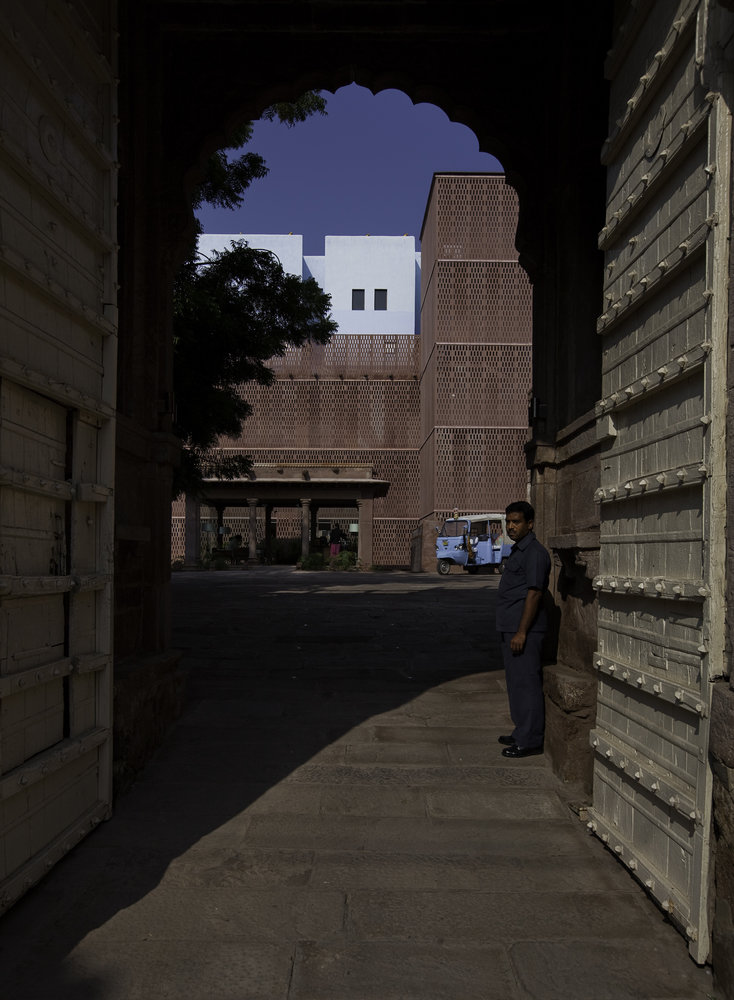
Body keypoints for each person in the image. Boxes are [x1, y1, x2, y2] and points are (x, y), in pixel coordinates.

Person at [496, 500, 551, 758]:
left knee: (527, 683)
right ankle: (521, 731)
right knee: (515, 682)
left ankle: (530, 739)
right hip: (511, 626)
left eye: (516, 522)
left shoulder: (535, 553)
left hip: (524, 630)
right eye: (508, 522)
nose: (511, 527)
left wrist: (521, 632)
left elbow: (534, 593)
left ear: (530, 524)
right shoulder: (519, 550)